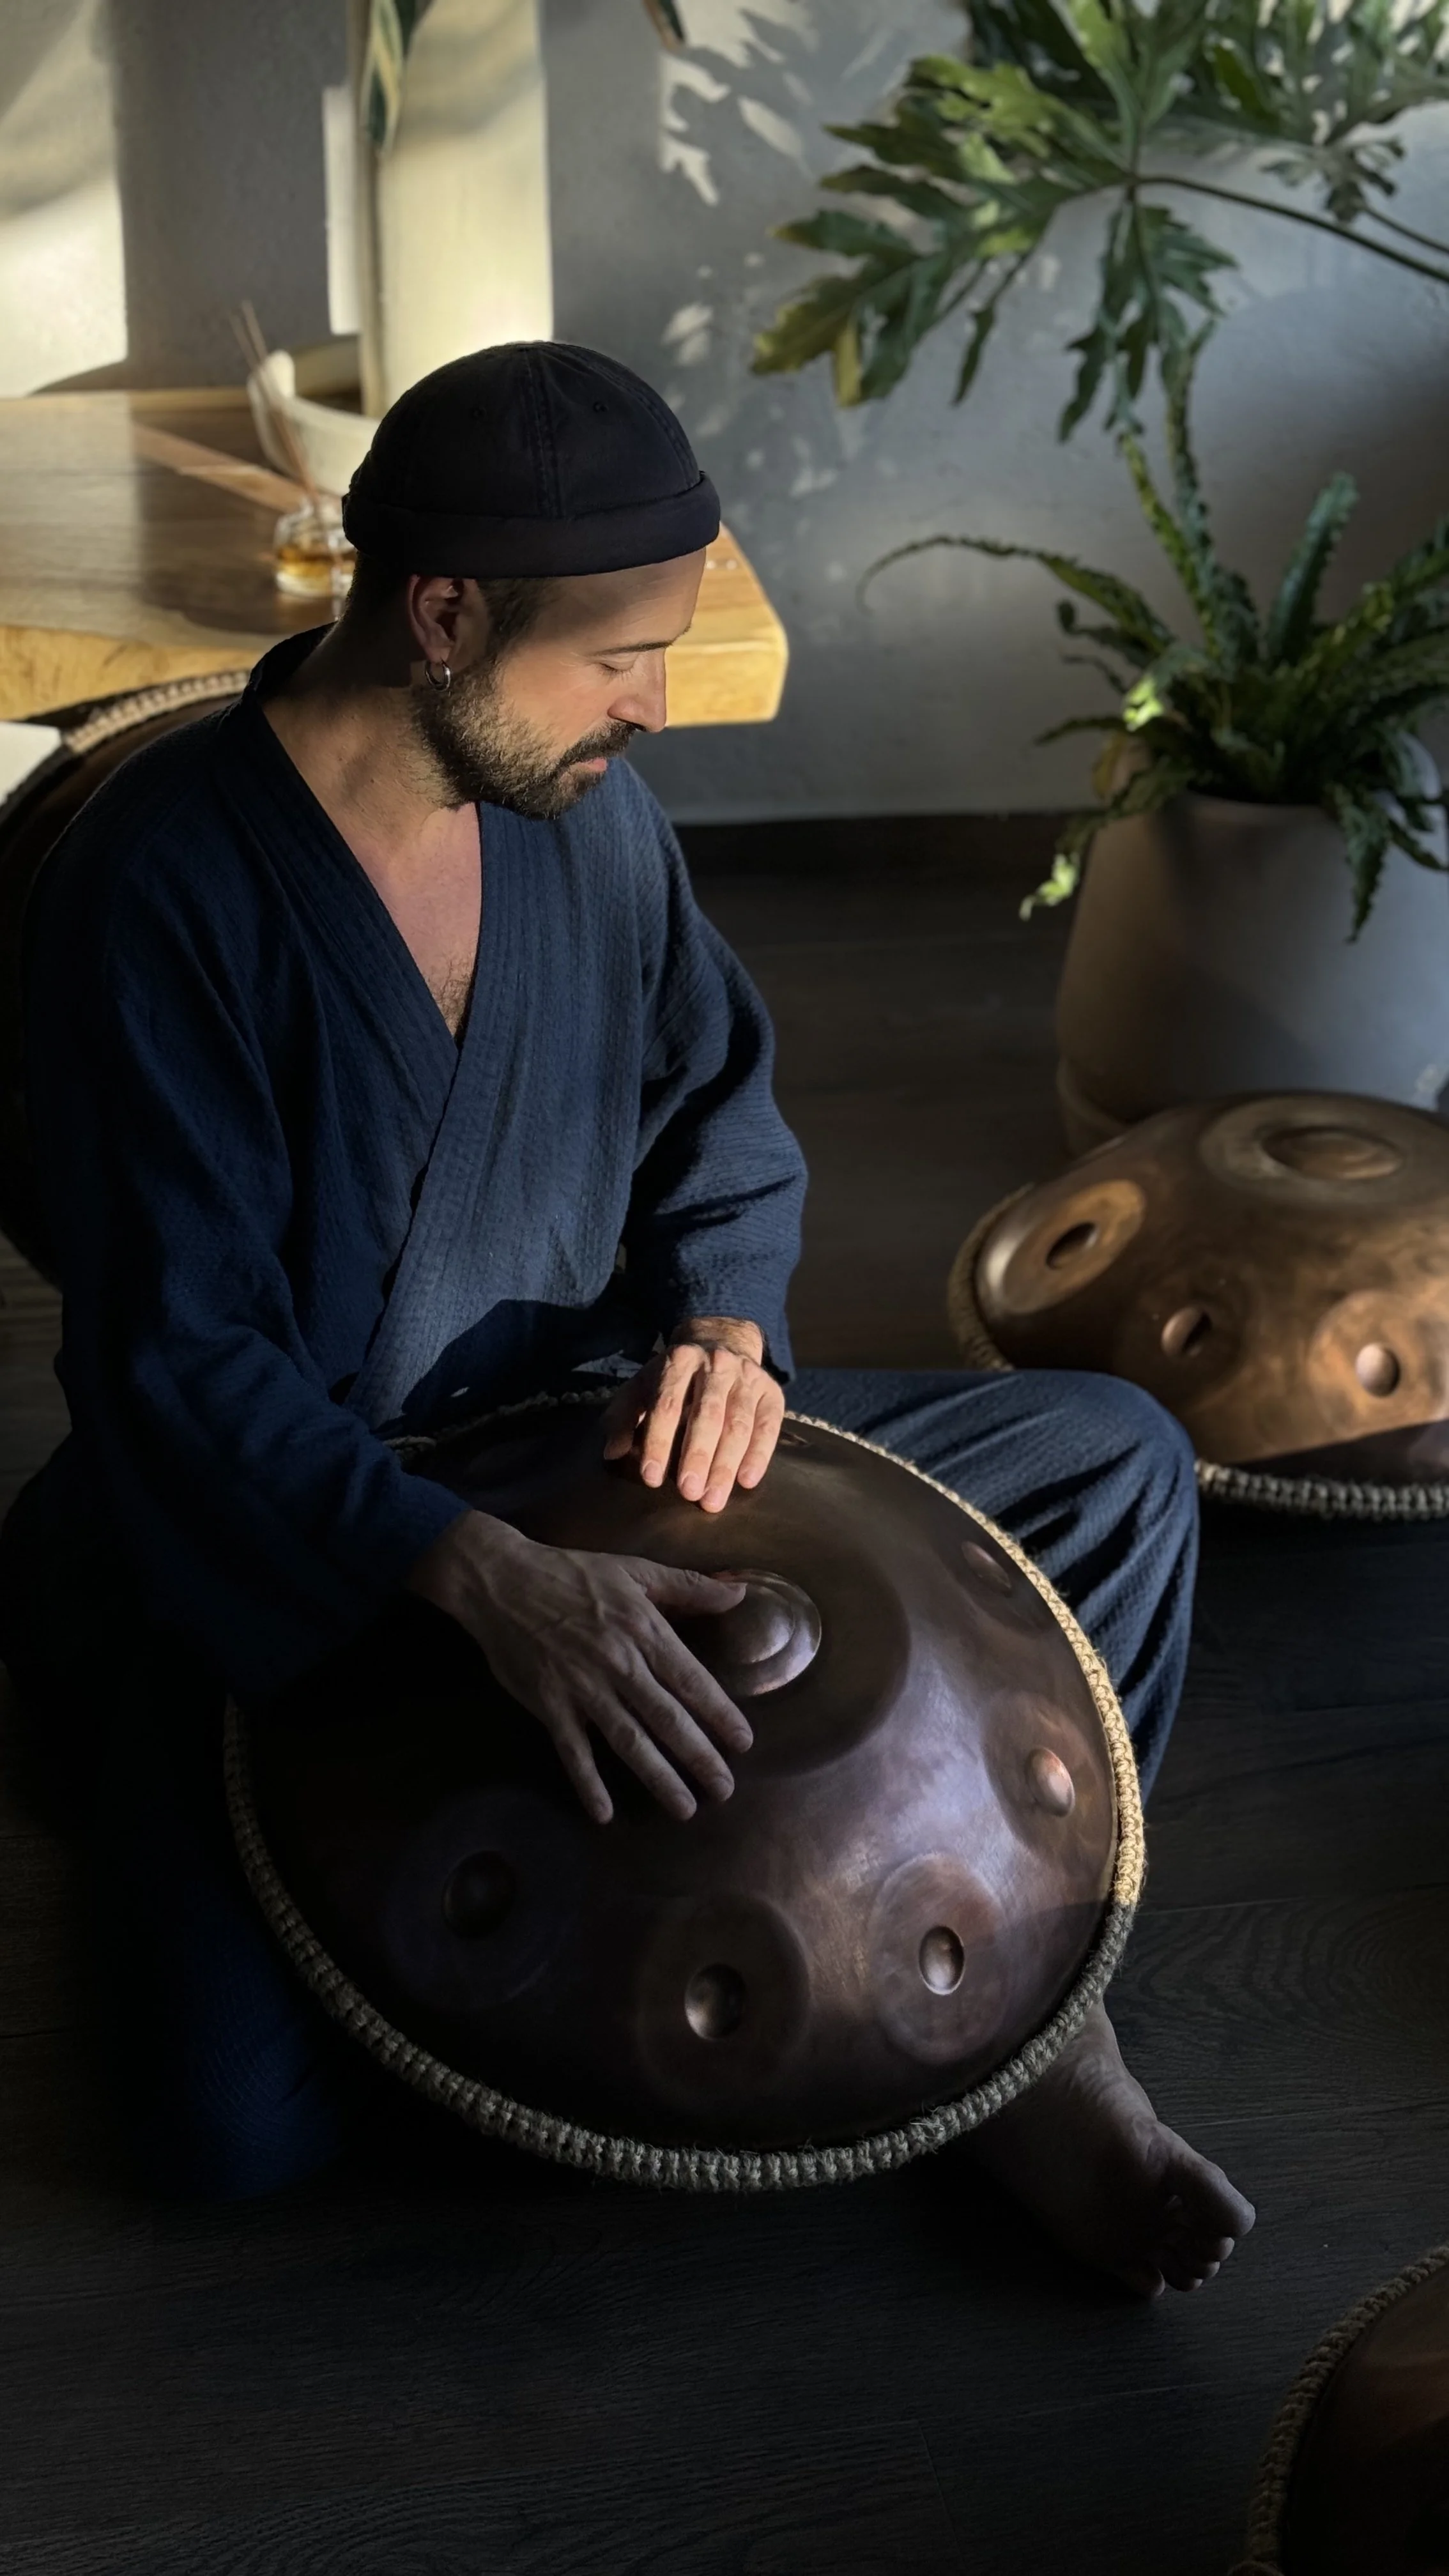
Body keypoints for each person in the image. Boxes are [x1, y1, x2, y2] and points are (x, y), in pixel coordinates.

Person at [0, 342, 1252, 2296]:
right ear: (441, 618)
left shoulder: (590, 818)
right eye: (616, 659)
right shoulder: (164, 885)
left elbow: (715, 1120)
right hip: (311, 1523)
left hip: (601, 1434)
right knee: (219, 2130)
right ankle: (623, 1951)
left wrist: (724, 1333)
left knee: (1115, 1463)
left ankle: (1025, 2018)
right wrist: (481, 1581)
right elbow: (180, 1357)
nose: (652, 706)